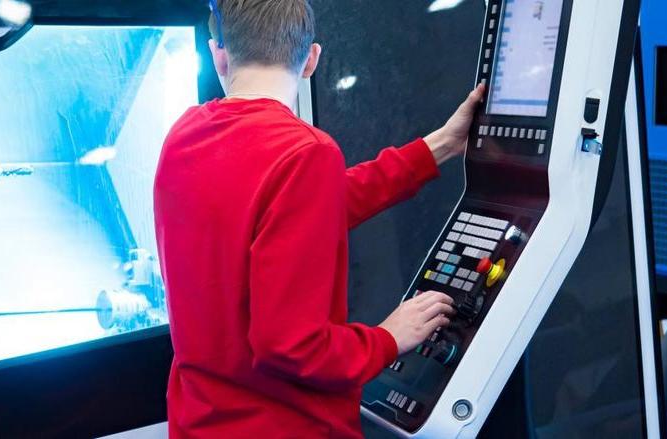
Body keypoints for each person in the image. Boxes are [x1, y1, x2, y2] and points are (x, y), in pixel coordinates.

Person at [153, 0, 485, 437]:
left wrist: (440, 145)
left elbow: (302, 211)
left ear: (219, 54)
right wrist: (388, 337)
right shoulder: (305, 154)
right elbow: (291, 346)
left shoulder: (185, 135)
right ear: (311, 59)